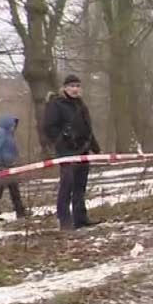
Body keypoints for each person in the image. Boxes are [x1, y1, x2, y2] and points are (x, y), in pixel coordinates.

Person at [43, 74, 101, 230]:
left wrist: (95, 147)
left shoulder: (81, 105)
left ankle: (80, 218)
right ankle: (64, 220)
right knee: (67, 185)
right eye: (72, 86)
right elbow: (49, 127)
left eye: (77, 86)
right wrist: (62, 140)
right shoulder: (56, 104)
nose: (75, 89)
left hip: (82, 149)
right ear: (65, 88)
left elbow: (87, 127)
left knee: (80, 186)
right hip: (67, 151)